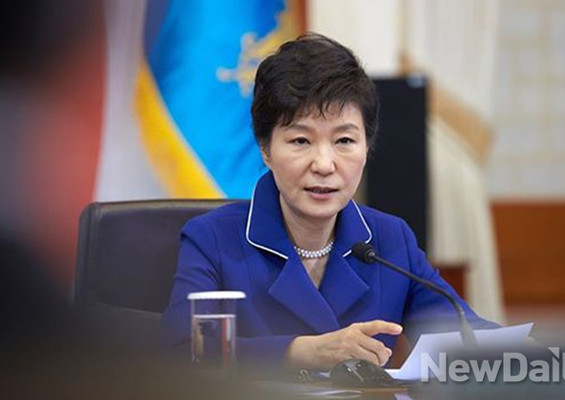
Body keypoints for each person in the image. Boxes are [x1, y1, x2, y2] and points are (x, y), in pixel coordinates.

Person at [162, 33, 497, 370]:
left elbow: (465, 335)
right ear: (265, 149)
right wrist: (305, 352)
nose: (324, 164)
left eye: (344, 140)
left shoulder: (390, 240)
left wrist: (522, 352)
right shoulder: (213, 239)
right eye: (301, 140)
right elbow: (181, 352)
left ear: (367, 148)